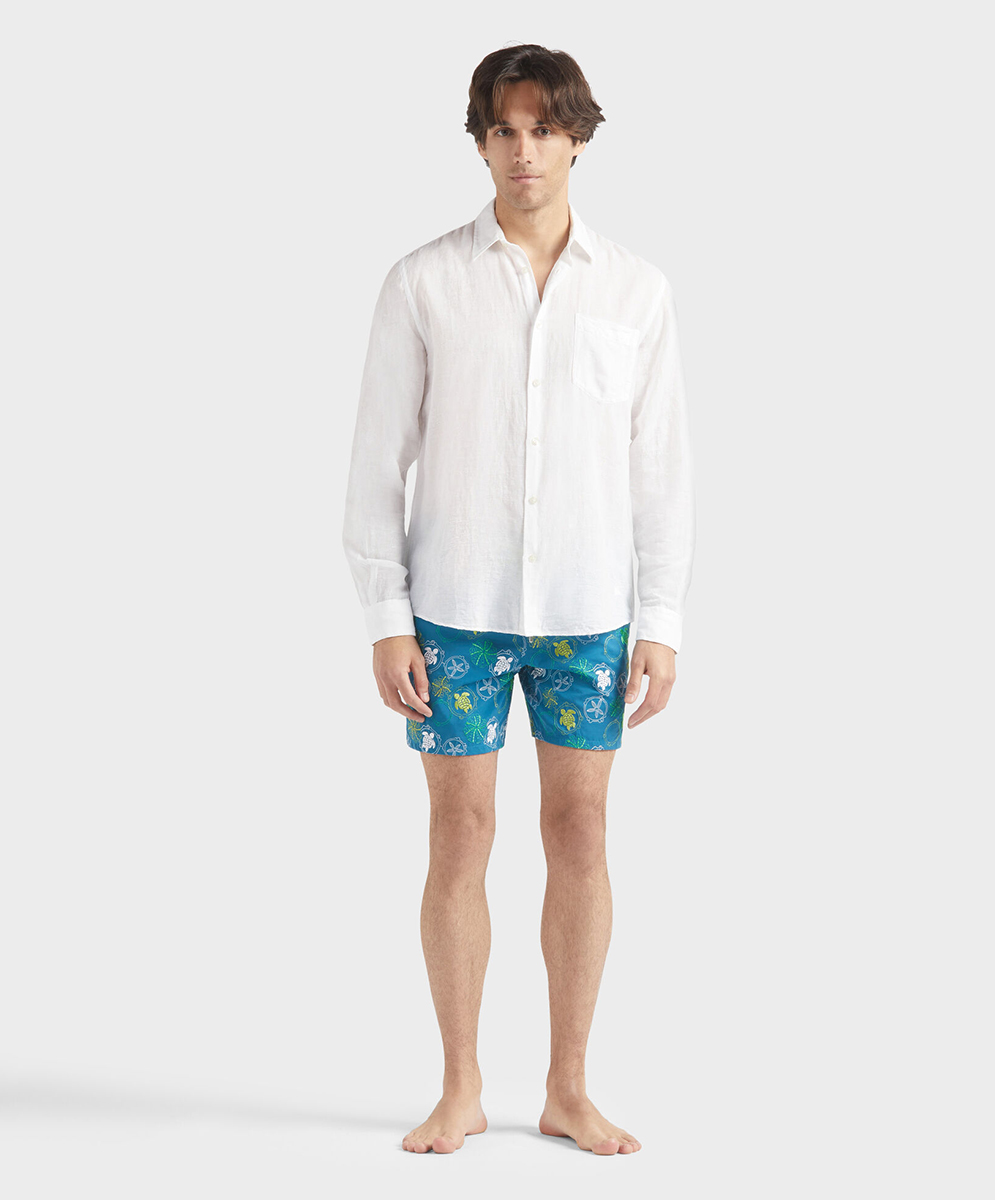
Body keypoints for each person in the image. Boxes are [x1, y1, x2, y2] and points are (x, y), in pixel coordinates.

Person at [341, 43, 696, 1156]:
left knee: (581, 831)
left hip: (589, 615)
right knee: (461, 833)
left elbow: (661, 470)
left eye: (545, 128)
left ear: (578, 138)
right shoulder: (424, 282)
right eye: (504, 129)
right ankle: (460, 1085)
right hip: (454, 610)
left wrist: (662, 621)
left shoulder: (636, 291)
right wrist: (386, 617)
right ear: (481, 141)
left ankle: (569, 1088)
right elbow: (376, 462)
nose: (524, 149)